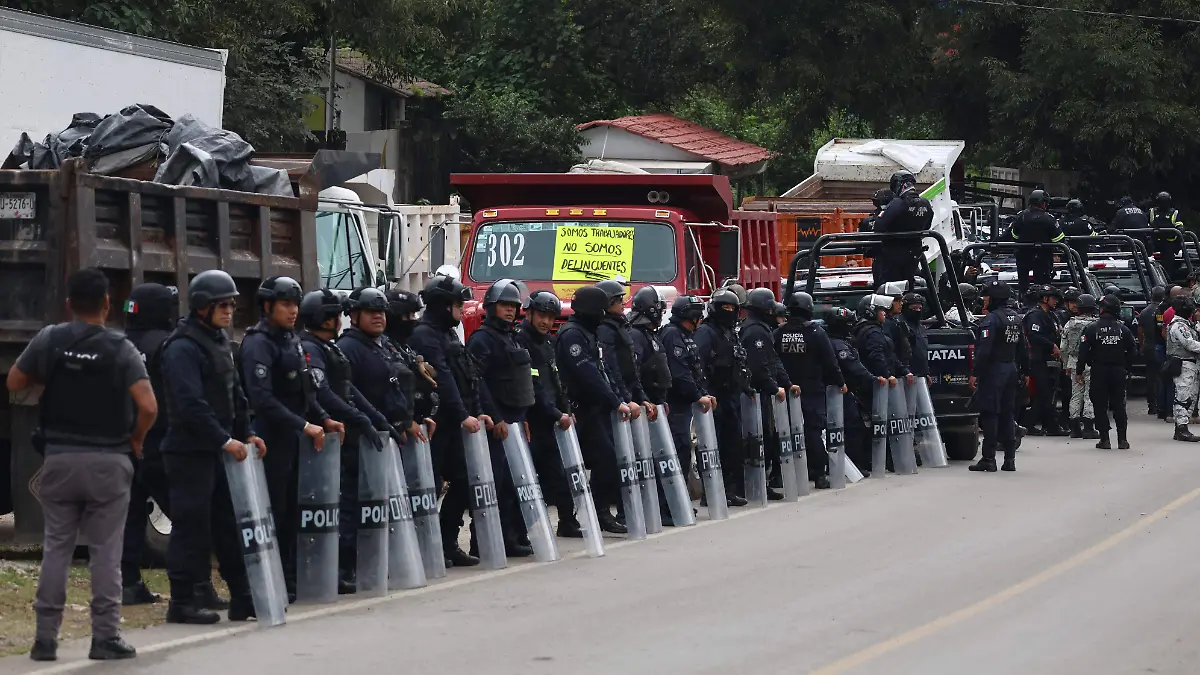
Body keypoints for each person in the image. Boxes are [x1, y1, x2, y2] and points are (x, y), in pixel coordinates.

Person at [8, 269, 155, 661]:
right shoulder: (121, 349)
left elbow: (14, 381)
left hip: (60, 458)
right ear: (108, 304)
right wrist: (136, 438)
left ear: (69, 304)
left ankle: (44, 639)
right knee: (106, 551)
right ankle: (104, 637)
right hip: (109, 462)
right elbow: (148, 406)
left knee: (57, 548)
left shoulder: (50, 339)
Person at [159, 270, 261, 625]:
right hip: (190, 452)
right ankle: (183, 601)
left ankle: (243, 597)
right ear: (202, 306)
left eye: (232, 304)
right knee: (191, 527)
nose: (230, 310)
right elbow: (190, 406)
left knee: (228, 524)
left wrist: (246, 431)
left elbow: (235, 392)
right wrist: (224, 439)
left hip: (221, 451)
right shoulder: (182, 347)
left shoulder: (218, 340)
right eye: (223, 304)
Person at [240, 277, 340, 601]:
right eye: (285, 304)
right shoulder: (258, 343)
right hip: (271, 437)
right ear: (267, 306)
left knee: (295, 509)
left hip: (295, 437)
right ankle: (274, 577)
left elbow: (306, 389)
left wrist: (322, 417)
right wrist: (304, 425)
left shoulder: (291, 340)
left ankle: (292, 575)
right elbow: (262, 399)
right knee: (275, 510)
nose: (293, 311)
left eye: (295, 304)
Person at [299, 289, 394, 592]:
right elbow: (322, 393)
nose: (338, 320)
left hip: (345, 436)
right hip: (326, 439)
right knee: (336, 505)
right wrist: (358, 418)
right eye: (334, 315)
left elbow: (349, 390)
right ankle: (334, 569)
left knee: (351, 502)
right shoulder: (311, 348)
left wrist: (374, 418)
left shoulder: (330, 348)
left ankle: (346, 566)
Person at [410, 275, 492, 564]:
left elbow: (467, 375)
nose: (461, 309)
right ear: (445, 305)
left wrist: (475, 410)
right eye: (458, 303)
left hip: (455, 420)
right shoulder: (425, 335)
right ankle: (426, 547)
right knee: (429, 484)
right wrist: (462, 415)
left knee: (462, 480)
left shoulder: (447, 333)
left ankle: (447, 543)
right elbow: (442, 379)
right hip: (438, 421)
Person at [465, 279, 536, 556]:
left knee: (513, 484)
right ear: (492, 307)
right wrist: (495, 417)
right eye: (504, 305)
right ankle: (481, 541)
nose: (509, 310)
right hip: (498, 422)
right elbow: (477, 382)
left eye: (513, 306)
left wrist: (522, 417)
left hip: (515, 419)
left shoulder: (512, 336)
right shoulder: (482, 339)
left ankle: (508, 538)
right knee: (494, 483)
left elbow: (520, 381)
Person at [556, 285, 632, 532]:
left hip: (593, 408)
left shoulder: (588, 333)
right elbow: (587, 373)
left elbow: (605, 370)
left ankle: (598, 513)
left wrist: (618, 398)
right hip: (578, 410)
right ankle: (575, 518)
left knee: (603, 459)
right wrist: (614, 400)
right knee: (572, 465)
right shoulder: (572, 335)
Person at [119, 283, 177, 607]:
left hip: (123, 443)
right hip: (158, 441)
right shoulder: (166, 345)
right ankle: (191, 586)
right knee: (188, 515)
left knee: (130, 517)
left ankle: (128, 583)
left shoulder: (119, 343)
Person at [512, 291, 579, 536]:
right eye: (541, 316)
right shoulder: (521, 341)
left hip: (552, 420)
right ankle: (520, 532)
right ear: (528, 313)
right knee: (526, 480)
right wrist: (554, 413)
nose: (546, 322)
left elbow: (557, 380)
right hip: (532, 420)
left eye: (551, 318)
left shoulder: (548, 343)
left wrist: (566, 409)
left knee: (559, 475)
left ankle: (567, 522)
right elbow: (533, 385)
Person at [776, 292, 844, 487]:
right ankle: (819, 474)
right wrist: (840, 382)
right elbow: (831, 362)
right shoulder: (816, 332)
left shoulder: (779, 332)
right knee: (813, 430)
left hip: (786, 389)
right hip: (812, 388)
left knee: (785, 431)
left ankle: (786, 474)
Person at [695, 289, 753, 505]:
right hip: (714, 395)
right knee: (713, 445)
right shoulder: (706, 332)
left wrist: (746, 387)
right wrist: (704, 391)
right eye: (725, 308)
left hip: (730, 395)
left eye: (732, 308)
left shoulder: (730, 332)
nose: (729, 312)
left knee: (731, 445)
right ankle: (710, 492)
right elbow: (698, 364)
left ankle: (728, 490)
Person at [660, 294, 714, 506]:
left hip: (685, 404)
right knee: (679, 451)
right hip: (676, 405)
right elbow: (680, 373)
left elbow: (694, 371)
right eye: (698, 315)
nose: (700, 319)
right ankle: (673, 504)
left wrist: (702, 392)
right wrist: (698, 395)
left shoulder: (684, 335)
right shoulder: (673, 335)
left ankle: (679, 502)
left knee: (684, 451)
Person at [970, 280, 1028, 472]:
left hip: (994, 371)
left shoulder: (991, 320)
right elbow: (1023, 348)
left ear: (993, 298)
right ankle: (1010, 459)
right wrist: (1025, 371)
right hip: (1011, 369)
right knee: (1007, 413)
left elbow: (984, 351)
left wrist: (975, 373)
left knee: (990, 413)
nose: (984, 299)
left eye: (986, 296)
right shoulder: (1015, 318)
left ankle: (989, 458)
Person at [740, 288, 788, 500]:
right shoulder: (755, 332)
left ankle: (762, 482)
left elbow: (773, 360)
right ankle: (757, 484)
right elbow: (759, 366)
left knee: (766, 437)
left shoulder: (761, 329)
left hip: (762, 393)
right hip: (756, 395)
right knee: (759, 438)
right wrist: (773, 387)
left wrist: (785, 382)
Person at [823, 307, 875, 475]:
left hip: (834, 391)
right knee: (853, 427)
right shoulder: (839, 345)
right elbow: (853, 367)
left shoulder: (829, 340)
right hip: (840, 392)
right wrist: (872, 380)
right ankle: (853, 466)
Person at [1079, 295, 1135, 449]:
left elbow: (1083, 352)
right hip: (1118, 371)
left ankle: (1104, 439)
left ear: (1103, 309)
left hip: (1099, 371)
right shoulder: (1124, 329)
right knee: (1119, 405)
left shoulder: (1091, 328)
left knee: (1100, 406)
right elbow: (1133, 351)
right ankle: (1122, 440)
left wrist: (1079, 371)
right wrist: (1127, 369)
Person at [872, 170, 934, 289]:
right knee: (909, 285)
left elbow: (880, 226)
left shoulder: (897, 203)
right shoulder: (925, 203)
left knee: (889, 288)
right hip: (914, 253)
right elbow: (927, 225)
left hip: (894, 254)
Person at [1023, 285, 1066, 436]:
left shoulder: (1051, 315)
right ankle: (1031, 424)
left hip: (1050, 360)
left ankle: (1051, 426)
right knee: (1044, 394)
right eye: (1053, 298)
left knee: (1049, 394)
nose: (1056, 302)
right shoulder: (1035, 315)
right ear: (1044, 299)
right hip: (1038, 359)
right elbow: (1034, 336)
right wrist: (1052, 345)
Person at [1010, 190, 1065, 299]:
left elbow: (1014, 236)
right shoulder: (1049, 219)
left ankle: (1023, 300)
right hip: (1043, 258)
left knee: (1023, 285)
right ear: (1043, 203)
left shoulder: (1021, 216)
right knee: (1043, 286)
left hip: (1023, 257)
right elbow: (1059, 239)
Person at [1060, 294, 1100, 439]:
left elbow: (1063, 347)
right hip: (1091, 363)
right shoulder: (1096, 324)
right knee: (1089, 395)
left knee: (1075, 395)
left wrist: (1065, 365)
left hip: (1073, 362)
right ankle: (1089, 428)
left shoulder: (1069, 324)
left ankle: (1075, 428)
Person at [1166, 296, 1200, 442]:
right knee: (1183, 397)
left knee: (1190, 397)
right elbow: (1189, 344)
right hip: (1183, 364)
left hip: (1190, 364)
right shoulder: (1179, 325)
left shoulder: (1187, 324)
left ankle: (1182, 427)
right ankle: (1181, 429)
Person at [1137, 286, 1167, 416]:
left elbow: (1140, 331)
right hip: (1161, 346)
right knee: (1163, 376)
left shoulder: (1145, 311)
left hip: (1149, 346)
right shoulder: (1163, 310)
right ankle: (1162, 404)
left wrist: (1142, 345)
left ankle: (1152, 405)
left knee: (1151, 376)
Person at [1148, 191, 1186, 281]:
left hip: (1169, 243)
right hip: (1154, 242)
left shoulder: (1174, 213)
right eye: (1161, 202)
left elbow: (1179, 225)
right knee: (1147, 252)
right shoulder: (1152, 212)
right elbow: (1146, 224)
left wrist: (1180, 229)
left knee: (1168, 263)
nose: (1163, 204)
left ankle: (1167, 280)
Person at [1060, 199, 1097, 266]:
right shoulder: (1083, 223)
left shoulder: (1060, 222)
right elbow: (1093, 236)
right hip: (1081, 256)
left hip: (1065, 255)